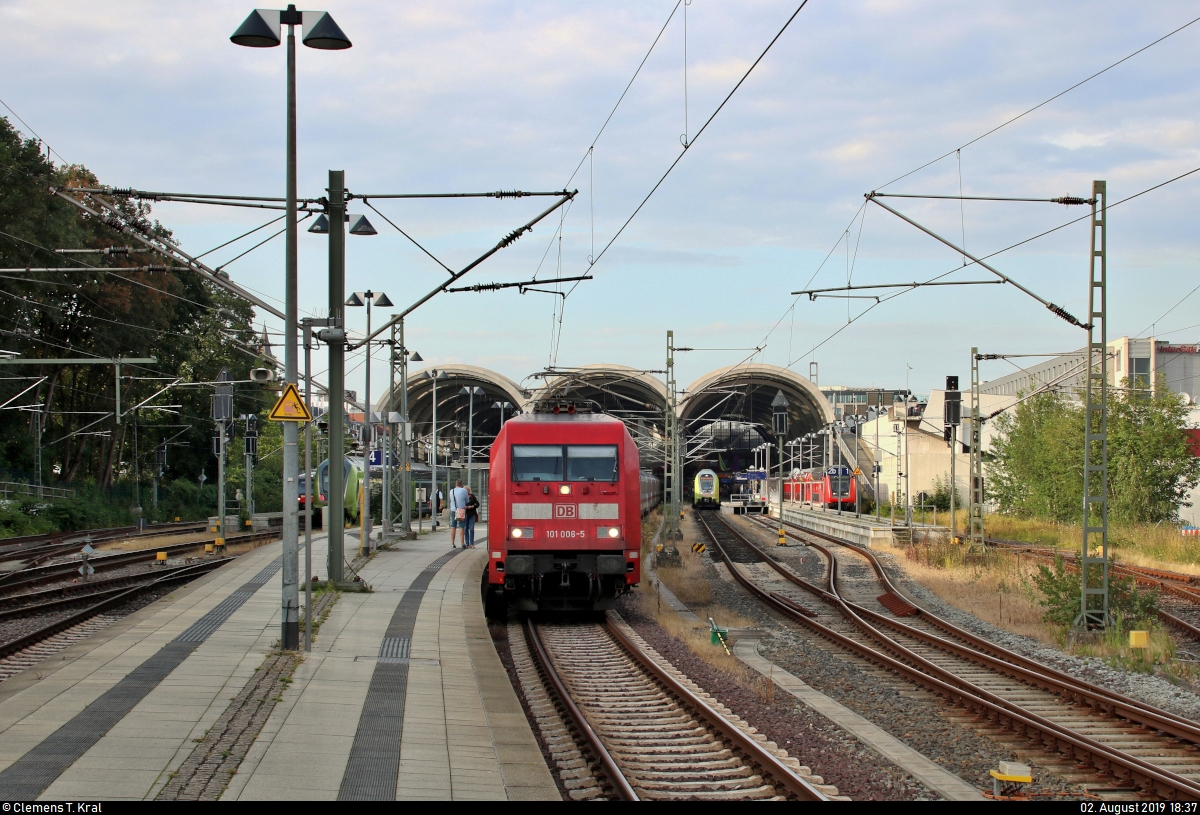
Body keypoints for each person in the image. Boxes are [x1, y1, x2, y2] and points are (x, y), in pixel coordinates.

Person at [449, 479, 468, 548]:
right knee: (461, 527)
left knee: (453, 527)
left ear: (455, 484)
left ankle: (452, 543)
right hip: (461, 510)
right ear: (461, 484)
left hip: (453, 510)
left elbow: (451, 500)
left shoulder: (451, 491)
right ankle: (462, 543)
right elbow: (467, 500)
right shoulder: (464, 491)